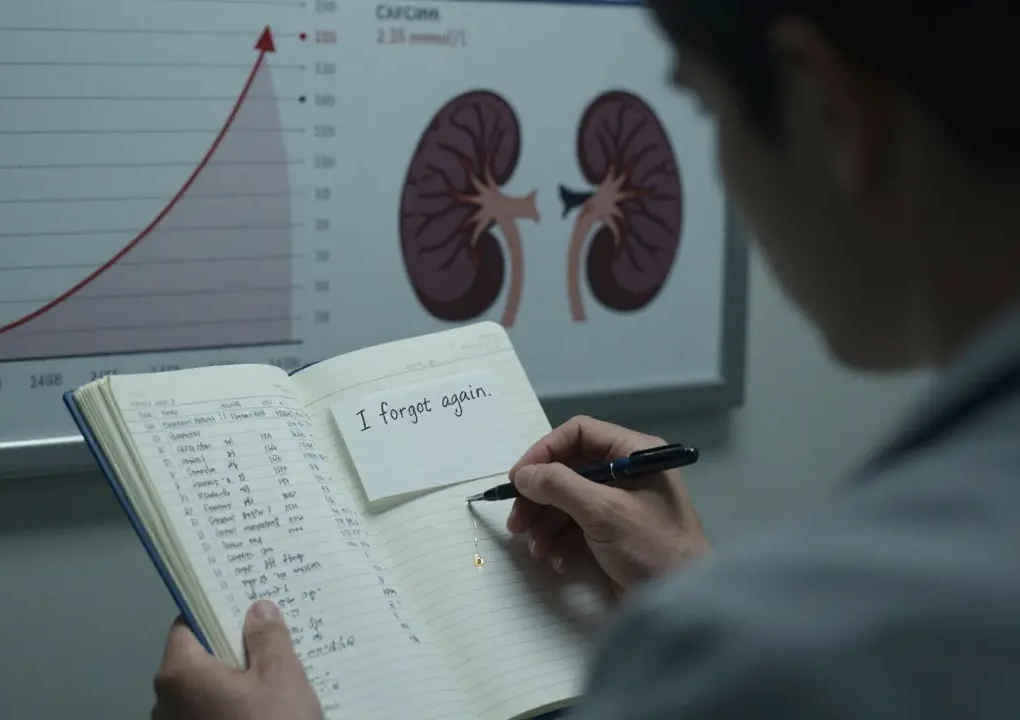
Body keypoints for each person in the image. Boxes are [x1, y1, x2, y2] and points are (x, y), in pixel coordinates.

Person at [150, 1, 1020, 717]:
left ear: (833, 109)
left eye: (709, 112)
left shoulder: (782, 657)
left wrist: (720, 635)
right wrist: (691, 582)